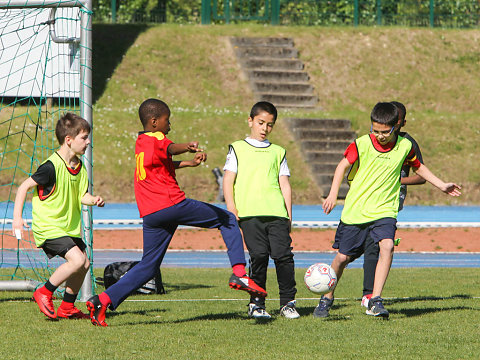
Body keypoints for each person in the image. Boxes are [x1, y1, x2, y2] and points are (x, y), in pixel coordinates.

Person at [86, 98, 267, 327]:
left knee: (148, 267)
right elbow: (169, 148)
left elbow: (163, 162)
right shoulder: (158, 138)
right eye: (167, 121)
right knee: (228, 219)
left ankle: (101, 300)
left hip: (151, 213)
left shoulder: (141, 142)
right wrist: (187, 146)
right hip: (171, 204)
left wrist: (189, 163)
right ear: (154, 122)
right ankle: (239, 272)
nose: (169, 125)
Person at [314, 102, 461, 319]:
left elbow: (419, 167)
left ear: (396, 127)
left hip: (385, 210)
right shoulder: (362, 143)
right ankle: (326, 298)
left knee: (387, 246)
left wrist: (441, 185)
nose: (380, 136)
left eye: (385, 131)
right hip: (356, 210)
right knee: (343, 258)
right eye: (376, 130)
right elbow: (342, 166)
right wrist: (333, 195)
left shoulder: (404, 146)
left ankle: (375, 299)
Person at [12, 113, 105, 320]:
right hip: (49, 227)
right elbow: (23, 187)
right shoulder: (50, 167)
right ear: (69, 140)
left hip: (68, 228)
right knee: (77, 260)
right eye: (84, 137)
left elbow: (82, 195)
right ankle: (44, 292)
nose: (88, 141)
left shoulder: (80, 168)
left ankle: (67, 308)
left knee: (85, 264)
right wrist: (17, 218)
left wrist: (94, 199)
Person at [223, 101, 299, 319]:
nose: (265, 128)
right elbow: (228, 180)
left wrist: (289, 215)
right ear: (250, 121)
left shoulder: (278, 151)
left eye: (270, 125)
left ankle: (288, 302)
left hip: (276, 213)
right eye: (261, 123)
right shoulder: (237, 148)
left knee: (283, 256)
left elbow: (285, 184)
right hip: (249, 213)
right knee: (258, 256)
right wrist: (231, 207)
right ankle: (257, 304)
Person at [360, 101, 426, 310]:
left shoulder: (407, 143)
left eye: (396, 122)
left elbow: (421, 176)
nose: (389, 128)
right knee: (360, 245)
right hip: (368, 196)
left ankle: (370, 294)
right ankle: (368, 293)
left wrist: (396, 181)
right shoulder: (375, 140)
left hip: (391, 199)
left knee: (377, 243)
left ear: (401, 123)